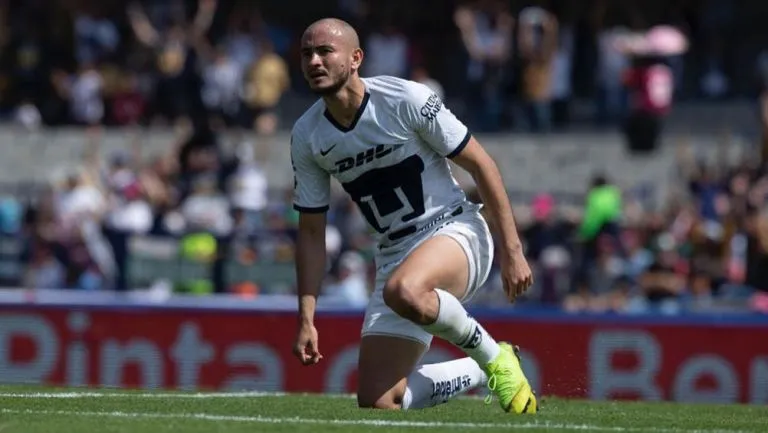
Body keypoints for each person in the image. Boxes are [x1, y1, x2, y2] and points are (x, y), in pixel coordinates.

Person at [291, 18, 536, 413]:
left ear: (355, 59)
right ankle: (485, 367)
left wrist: (513, 250)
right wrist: (307, 317)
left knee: (404, 290)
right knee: (380, 401)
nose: (314, 61)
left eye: (324, 52)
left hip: (456, 230)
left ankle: (494, 359)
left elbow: (482, 165)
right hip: (395, 257)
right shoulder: (307, 135)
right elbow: (311, 232)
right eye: (306, 53)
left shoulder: (404, 98)